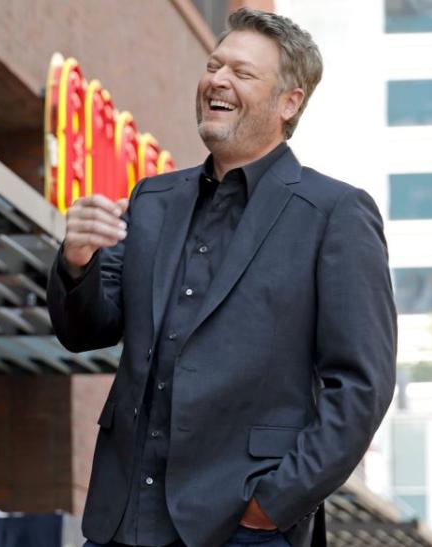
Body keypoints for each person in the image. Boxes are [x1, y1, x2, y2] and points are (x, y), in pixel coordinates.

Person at [48, 9, 396, 547]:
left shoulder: (335, 213)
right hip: (123, 518)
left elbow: (360, 388)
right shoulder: (153, 200)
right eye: (214, 65)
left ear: (289, 102)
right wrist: (77, 262)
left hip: (244, 526)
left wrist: (272, 505)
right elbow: (86, 329)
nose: (218, 80)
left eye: (242, 72)